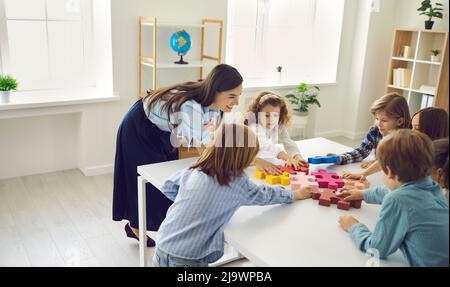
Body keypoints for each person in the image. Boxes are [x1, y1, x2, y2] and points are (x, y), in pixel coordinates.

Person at [112, 64, 243, 246]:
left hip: (161, 130)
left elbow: (212, 140)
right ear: (215, 91)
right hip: (138, 126)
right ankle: (136, 228)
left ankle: (171, 231)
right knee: (145, 182)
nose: (237, 102)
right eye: (231, 96)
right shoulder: (192, 107)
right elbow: (203, 148)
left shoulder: (214, 105)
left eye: (239, 95)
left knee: (167, 183)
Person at [152, 123, 313, 267]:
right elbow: (266, 195)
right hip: (187, 259)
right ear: (244, 157)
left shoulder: (195, 168)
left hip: (163, 244)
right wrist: (295, 194)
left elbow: (168, 187)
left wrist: (197, 206)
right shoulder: (237, 182)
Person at [338, 130, 449, 267]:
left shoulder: (398, 200)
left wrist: (353, 226)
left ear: (388, 172)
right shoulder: (433, 187)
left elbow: (378, 248)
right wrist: (363, 194)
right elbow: (392, 191)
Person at [335, 93, 411, 181]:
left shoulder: (406, 139)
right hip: (381, 175)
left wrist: (365, 173)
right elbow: (361, 151)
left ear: (400, 121)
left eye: (384, 120)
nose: (379, 124)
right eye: (377, 118)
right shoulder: (375, 131)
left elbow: (389, 161)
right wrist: (341, 158)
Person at [245, 91, 308, 175]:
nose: (271, 120)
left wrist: (297, 156)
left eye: (276, 115)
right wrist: (287, 158)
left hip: (258, 158)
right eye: (267, 115)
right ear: (257, 113)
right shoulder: (254, 126)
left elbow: (287, 141)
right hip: (244, 161)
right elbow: (266, 145)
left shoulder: (277, 124)